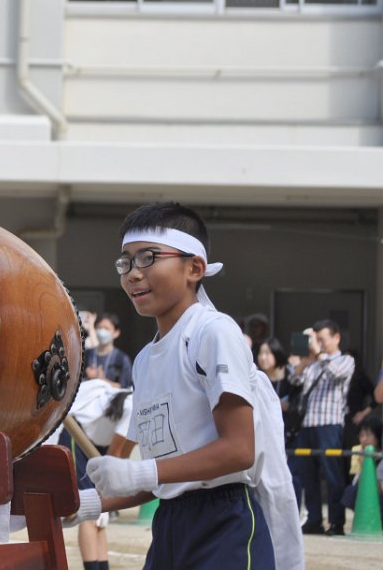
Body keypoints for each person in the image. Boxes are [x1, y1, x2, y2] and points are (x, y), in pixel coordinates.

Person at [66, 202, 300, 570]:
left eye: (148, 258)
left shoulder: (213, 332)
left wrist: (140, 471)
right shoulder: (144, 360)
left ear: (195, 268)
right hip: (170, 524)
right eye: (125, 262)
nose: (133, 274)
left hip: (224, 523)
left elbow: (239, 450)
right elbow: (165, 477)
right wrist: (88, 504)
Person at [288, 319, 355, 536]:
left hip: (330, 424)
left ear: (336, 338)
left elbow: (335, 373)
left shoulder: (346, 360)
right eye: (315, 339)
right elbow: (294, 379)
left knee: (333, 476)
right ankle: (314, 520)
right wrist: (305, 359)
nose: (319, 343)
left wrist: (320, 354)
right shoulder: (313, 363)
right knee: (308, 477)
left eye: (322, 339)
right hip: (308, 424)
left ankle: (336, 522)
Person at [58, 380, 132, 570]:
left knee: (101, 513)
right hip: (77, 434)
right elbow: (115, 456)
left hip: (98, 444)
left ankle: (102, 566)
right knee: (91, 507)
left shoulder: (137, 405)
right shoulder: (134, 408)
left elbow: (122, 456)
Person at [83, 313, 133, 388]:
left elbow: (125, 388)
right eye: (99, 327)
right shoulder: (87, 355)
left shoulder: (121, 359)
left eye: (106, 328)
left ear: (116, 333)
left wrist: (102, 380)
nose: (102, 331)